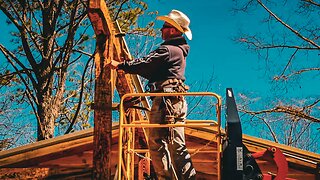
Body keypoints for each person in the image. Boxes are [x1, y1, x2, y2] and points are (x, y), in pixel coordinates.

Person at [109, 9, 196, 180]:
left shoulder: (169, 50)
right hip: (173, 100)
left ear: (173, 30)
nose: (161, 30)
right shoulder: (177, 52)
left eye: (164, 26)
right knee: (175, 143)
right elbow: (151, 68)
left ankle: (168, 178)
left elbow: (147, 63)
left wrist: (122, 65)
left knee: (157, 143)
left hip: (166, 101)